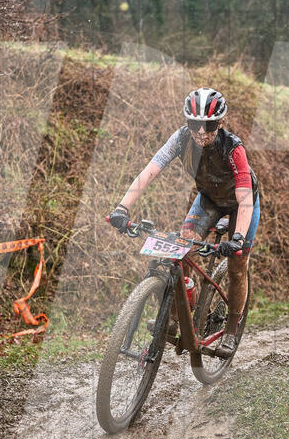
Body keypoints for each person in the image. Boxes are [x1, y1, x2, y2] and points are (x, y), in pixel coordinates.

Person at [108, 88, 261, 358]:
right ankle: (177, 315)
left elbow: (245, 197)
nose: (201, 132)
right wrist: (122, 208)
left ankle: (231, 329)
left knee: (238, 266)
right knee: (178, 250)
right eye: (194, 125)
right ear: (186, 122)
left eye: (210, 126)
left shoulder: (233, 148)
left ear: (221, 123)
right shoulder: (180, 139)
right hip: (208, 200)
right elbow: (149, 172)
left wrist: (236, 238)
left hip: (242, 205)